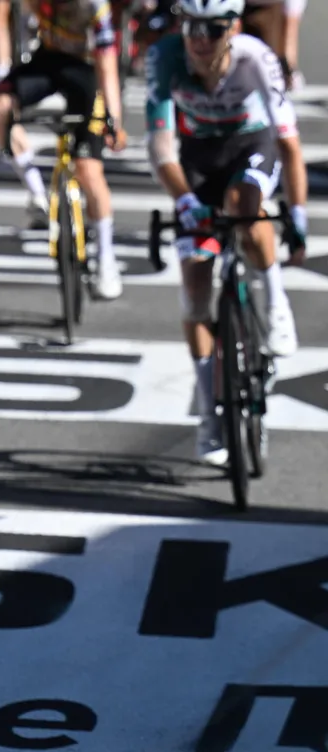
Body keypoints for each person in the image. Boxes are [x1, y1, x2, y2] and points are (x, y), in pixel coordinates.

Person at [144, 0, 306, 464]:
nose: (199, 38)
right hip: (198, 159)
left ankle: (276, 306)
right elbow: (160, 148)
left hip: (251, 146)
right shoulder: (166, 58)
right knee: (195, 285)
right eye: (191, 25)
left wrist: (296, 216)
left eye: (213, 28)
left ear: (231, 28)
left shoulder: (255, 57)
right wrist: (187, 203)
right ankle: (209, 415)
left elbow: (289, 145)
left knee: (244, 210)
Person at [0, 0, 128, 301]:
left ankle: (106, 259)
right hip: (47, 60)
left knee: (89, 171)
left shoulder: (93, 5)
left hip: (87, 70)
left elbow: (107, 62)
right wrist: (2, 71)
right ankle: (38, 194)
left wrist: (114, 118)